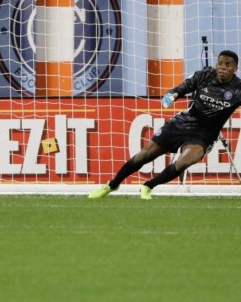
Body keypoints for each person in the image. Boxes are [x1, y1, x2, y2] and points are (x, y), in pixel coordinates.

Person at [89, 50, 241, 200]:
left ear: (235, 69)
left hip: (204, 134)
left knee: (184, 162)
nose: (222, 68)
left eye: (227, 65)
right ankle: (112, 185)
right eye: (220, 63)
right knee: (145, 155)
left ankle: (148, 186)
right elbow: (181, 88)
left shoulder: (238, 89)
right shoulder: (204, 76)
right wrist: (171, 95)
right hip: (182, 123)